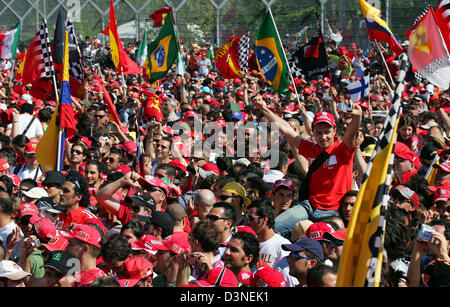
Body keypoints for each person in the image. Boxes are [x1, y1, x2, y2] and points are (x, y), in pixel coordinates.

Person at [251, 93, 362, 222]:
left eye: (327, 132)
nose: (323, 137)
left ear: (334, 131)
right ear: (313, 132)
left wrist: (357, 118)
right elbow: (287, 130)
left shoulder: (342, 150)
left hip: (333, 211)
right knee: (275, 225)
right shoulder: (310, 148)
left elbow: (350, 134)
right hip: (308, 206)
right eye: (318, 132)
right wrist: (263, 107)